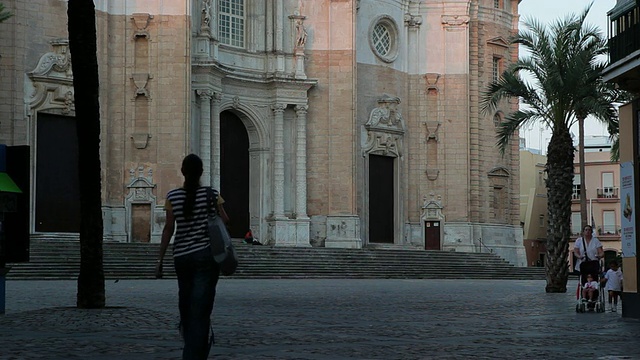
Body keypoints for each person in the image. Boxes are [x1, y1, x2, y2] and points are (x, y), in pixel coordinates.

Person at [155, 154, 229, 360]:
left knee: (186, 303)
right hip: (205, 256)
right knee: (202, 306)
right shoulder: (212, 194)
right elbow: (225, 220)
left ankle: (191, 345)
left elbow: (168, 229)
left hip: (181, 257)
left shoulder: (172, 197)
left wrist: (159, 260)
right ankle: (195, 353)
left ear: (183, 172)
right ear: (201, 173)